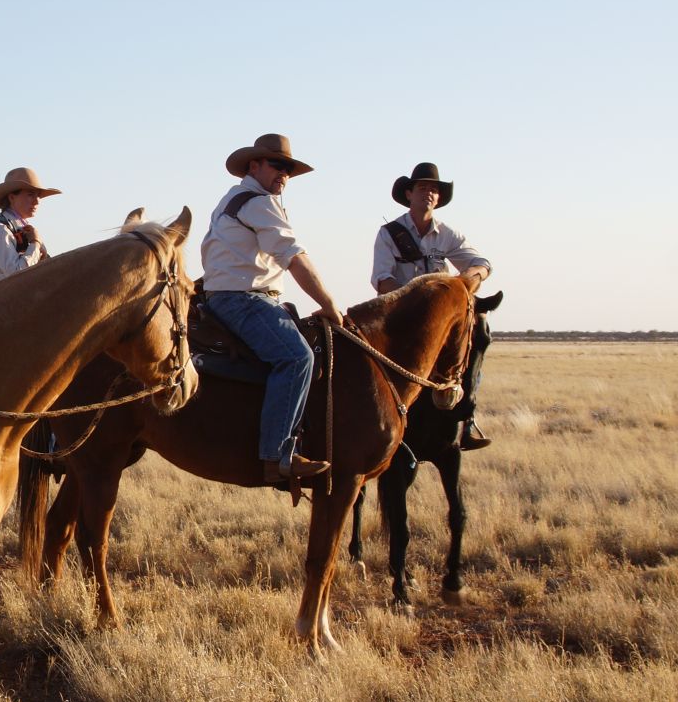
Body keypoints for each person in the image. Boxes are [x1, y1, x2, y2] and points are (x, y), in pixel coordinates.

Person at [201, 133, 345, 486]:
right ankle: (277, 456)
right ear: (254, 166)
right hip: (243, 299)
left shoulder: (232, 199)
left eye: (289, 170)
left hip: (225, 295)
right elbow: (293, 257)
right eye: (277, 165)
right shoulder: (259, 202)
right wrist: (328, 304)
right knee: (297, 358)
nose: (284, 174)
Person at [372, 161, 493, 449]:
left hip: (440, 319)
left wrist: (465, 283)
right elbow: (382, 279)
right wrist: (414, 300)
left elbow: (482, 264)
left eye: (434, 190)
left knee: (476, 338)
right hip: (402, 315)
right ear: (409, 194)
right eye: (423, 187)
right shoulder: (389, 233)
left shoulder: (448, 234)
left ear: (438, 199)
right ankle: (379, 424)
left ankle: (466, 421)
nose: (429, 193)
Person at [0, 167, 59, 285]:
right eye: (30, 195)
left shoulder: (26, 229)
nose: (37, 201)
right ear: (12, 197)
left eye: (38, 196)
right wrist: (35, 244)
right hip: (6, 296)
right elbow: (16, 275)